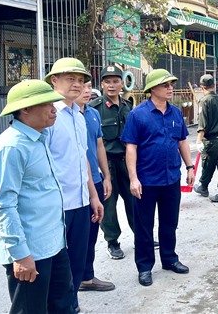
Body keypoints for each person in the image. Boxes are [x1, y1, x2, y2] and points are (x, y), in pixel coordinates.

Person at [0, 80, 74, 314]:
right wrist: (21, 255)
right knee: (30, 310)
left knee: (63, 306)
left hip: (54, 243)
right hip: (30, 250)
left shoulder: (38, 138)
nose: (54, 109)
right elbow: (4, 206)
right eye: (47, 104)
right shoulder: (11, 147)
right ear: (25, 109)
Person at [122, 69, 195, 287]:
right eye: (165, 85)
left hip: (171, 178)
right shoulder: (138, 115)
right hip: (146, 181)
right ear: (152, 89)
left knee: (169, 223)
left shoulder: (175, 113)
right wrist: (133, 178)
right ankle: (144, 267)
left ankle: (169, 259)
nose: (170, 88)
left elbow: (182, 141)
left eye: (171, 84)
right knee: (144, 226)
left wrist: (189, 166)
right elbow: (131, 147)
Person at [45, 57, 104, 312]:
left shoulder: (79, 116)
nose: (77, 85)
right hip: (58, 206)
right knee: (57, 269)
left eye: (81, 80)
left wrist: (93, 196)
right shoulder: (48, 116)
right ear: (54, 81)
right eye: (70, 79)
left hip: (81, 202)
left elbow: (83, 160)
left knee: (78, 263)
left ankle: (73, 306)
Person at [89, 65, 135, 260]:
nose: (112, 85)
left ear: (122, 84)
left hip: (126, 161)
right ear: (102, 84)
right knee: (108, 204)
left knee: (135, 200)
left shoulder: (127, 106)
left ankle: (141, 235)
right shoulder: (94, 109)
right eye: (108, 81)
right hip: (106, 163)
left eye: (116, 81)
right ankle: (113, 241)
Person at [75, 81, 115, 292]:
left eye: (89, 86)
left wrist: (106, 176)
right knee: (74, 237)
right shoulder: (60, 116)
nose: (86, 90)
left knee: (91, 233)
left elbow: (99, 145)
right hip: (73, 186)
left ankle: (86, 277)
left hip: (95, 182)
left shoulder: (93, 114)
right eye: (82, 86)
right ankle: (70, 285)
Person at [193, 74, 218, 203]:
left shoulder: (204, 101)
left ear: (202, 86)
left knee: (208, 164)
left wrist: (199, 141)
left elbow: (202, 124)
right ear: (213, 86)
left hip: (211, 140)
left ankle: (204, 187)